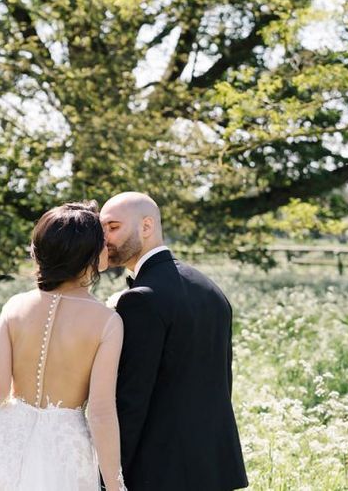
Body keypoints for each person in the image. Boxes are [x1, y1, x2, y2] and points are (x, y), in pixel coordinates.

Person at [0, 201, 126, 491]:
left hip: (9, 438)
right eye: (102, 243)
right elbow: (100, 412)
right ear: (87, 254)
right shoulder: (107, 321)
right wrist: (116, 486)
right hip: (64, 446)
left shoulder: (15, 307)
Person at [101, 192, 248, 491]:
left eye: (113, 227)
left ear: (146, 226)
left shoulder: (141, 299)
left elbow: (132, 399)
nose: (104, 238)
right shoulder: (210, 288)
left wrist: (109, 476)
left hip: (161, 471)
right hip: (215, 467)